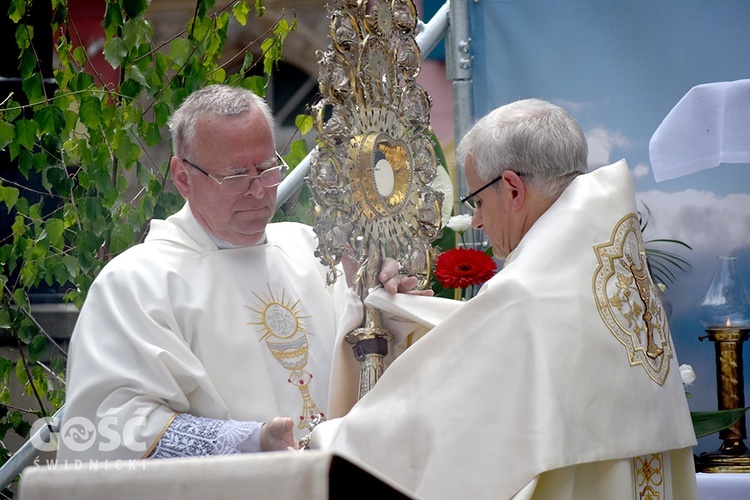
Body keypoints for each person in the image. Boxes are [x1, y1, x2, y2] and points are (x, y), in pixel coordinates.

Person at [310, 99, 698, 499]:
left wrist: (330, 444)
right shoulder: (613, 271)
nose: (477, 220)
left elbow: (437, 425)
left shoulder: (524, 295)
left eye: (477, 200)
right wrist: (403, 320)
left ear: (512, 188)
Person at [56, 84, 421, 461]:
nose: (259, 191)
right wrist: (249, 441)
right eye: (234, 176)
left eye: (266, 169)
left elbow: (370, 362)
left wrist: (386, 302)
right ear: (182, 177)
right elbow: (115, 426)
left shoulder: (315, 252)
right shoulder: (135, 283)